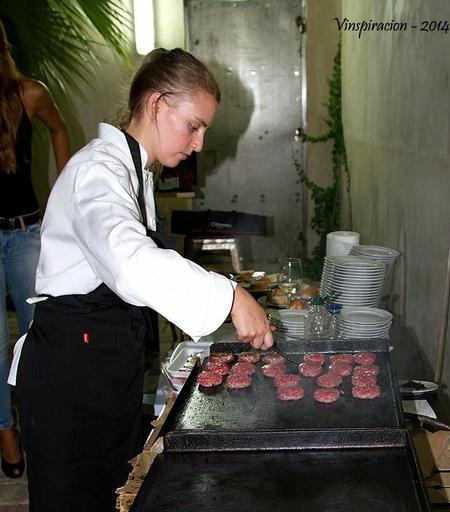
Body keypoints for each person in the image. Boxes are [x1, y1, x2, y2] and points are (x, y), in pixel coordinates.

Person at [10, 47, 273, 511]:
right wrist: (230, 295)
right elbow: (130, 260)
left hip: (107, 373)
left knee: (119, 497)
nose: (198, 144)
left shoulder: (136, 174)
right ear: (156, 104)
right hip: (72, 384)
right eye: (194, 125)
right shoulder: (98, 171)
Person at [0, 21, 70, 479]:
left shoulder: (30, 93)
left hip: (26, 234)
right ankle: (7, 434)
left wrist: (62, 196)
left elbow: (60, 131)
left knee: (37, 339)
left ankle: (47, 430)